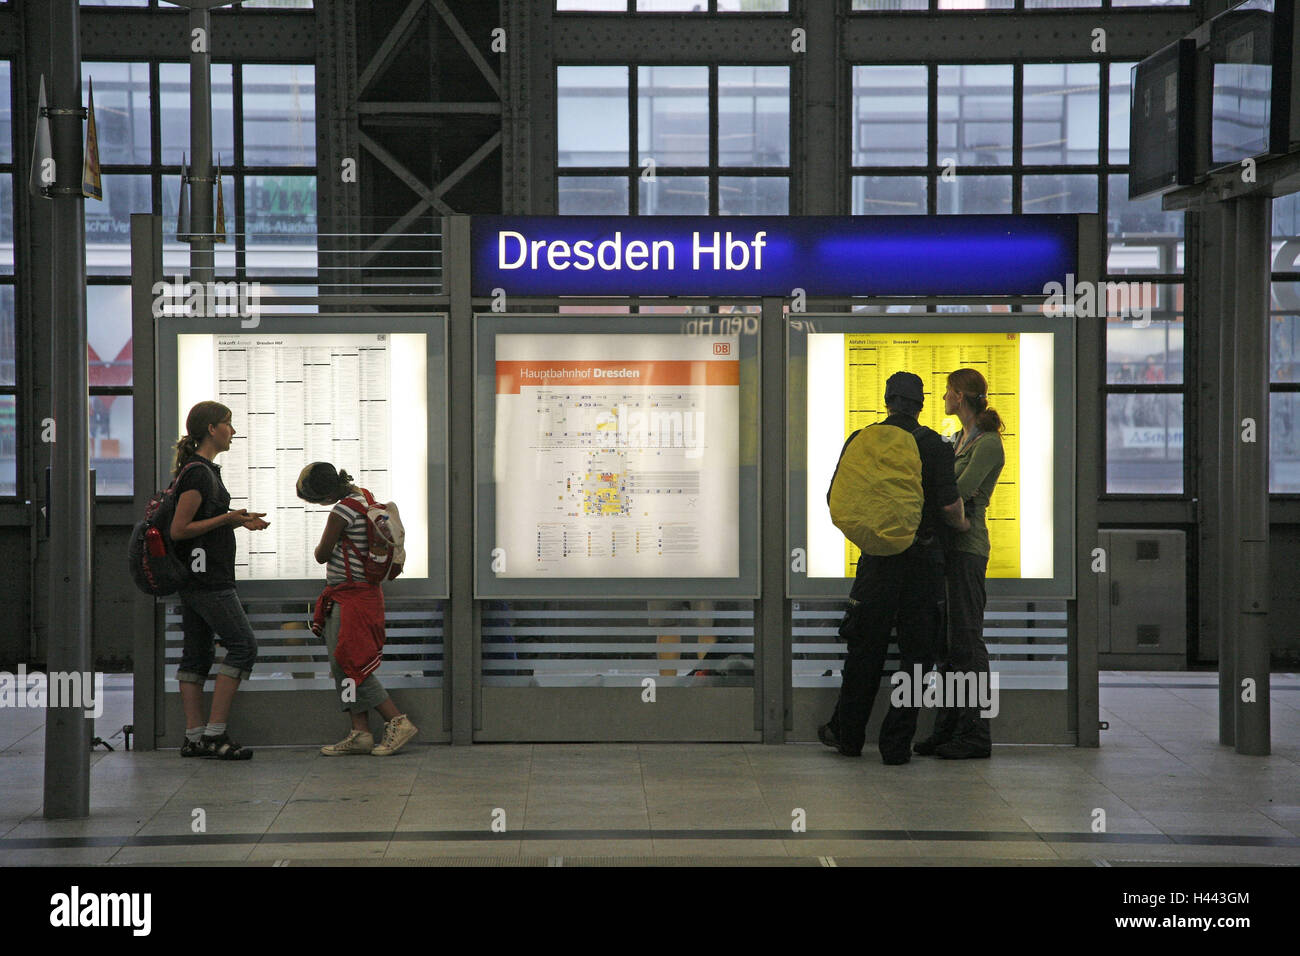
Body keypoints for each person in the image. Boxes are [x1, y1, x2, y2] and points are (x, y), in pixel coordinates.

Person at [819, 372, 969, 764]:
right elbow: (951, 508)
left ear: (887, 401)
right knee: (917, 657)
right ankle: (896, 745)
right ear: (920, 405)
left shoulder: (861, 438)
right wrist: (964, 525)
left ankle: (848, 737)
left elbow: (837, 494)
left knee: (864, 650)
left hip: (877, 563)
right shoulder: (935, 444)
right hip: (923, 564)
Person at [170, 401, 270, 760]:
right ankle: (215, 733)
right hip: (209, 580)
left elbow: (198, 522)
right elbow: (180, 529)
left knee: (196, 655)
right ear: (211, 429)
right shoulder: (199, 473)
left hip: (195, 579)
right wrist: (227, 519)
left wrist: (235, 519)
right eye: (228, 423)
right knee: (244, 646)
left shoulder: (198, 470)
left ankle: (195, 736)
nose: (233, 430)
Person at [297, 462, 418, 757]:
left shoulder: (342, 511)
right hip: (362, 596)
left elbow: (321, 555)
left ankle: (396, 721)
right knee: (345, 664)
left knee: (352, 663)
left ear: (324, 496)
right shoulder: (365, 497)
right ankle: (360, 731)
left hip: (351, 598)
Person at [914, 368, 1005, 760]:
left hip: (968, 549)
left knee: (967, 641)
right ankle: (948, 727)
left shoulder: (987, 444)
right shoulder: (960, 440)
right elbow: (947, 493)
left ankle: (974, 732)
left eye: (948, 392)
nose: (944, 398)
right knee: (948, 646)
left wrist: (947, 497)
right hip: (950, 547)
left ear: (960, 396)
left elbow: (958, 490)